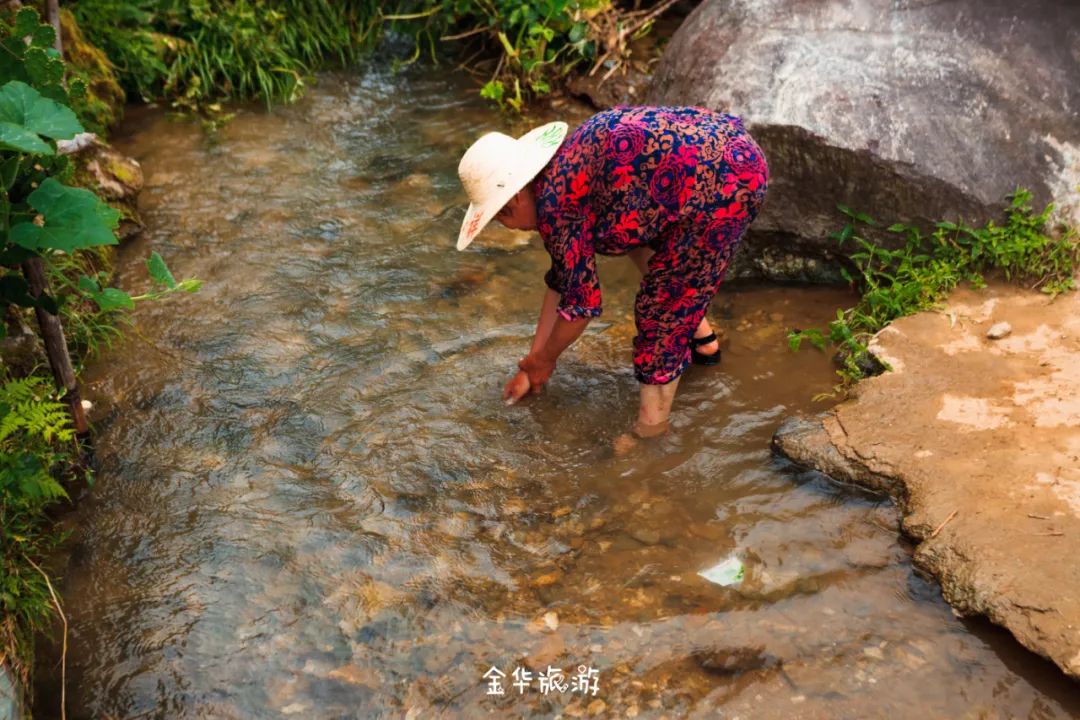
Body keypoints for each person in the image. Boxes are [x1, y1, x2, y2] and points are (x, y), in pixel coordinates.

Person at [456, 106, 768, 437]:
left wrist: (545, 359)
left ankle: (649, 434)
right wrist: (534, 363)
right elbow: (563, 280)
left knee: (661, 312)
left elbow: (581, 307)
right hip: (728, 145)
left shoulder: (555, 208)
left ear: (514, 200)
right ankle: (703, 343)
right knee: (630, 237)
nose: (506, 228)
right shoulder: (560, 169)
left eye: (499, 218)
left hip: (725, 185)